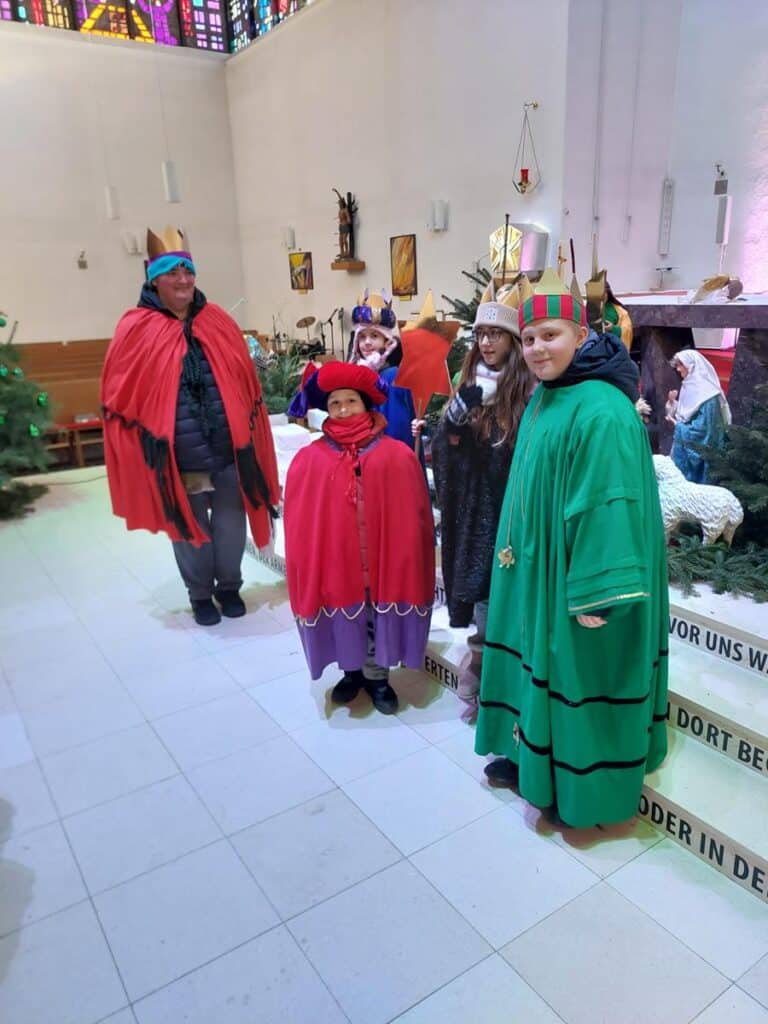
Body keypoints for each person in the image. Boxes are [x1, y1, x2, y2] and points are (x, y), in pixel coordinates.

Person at [475, 269, 669, 828]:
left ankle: (578, 785)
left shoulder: (602, 409)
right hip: (536, 569)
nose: (538, 348)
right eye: (529, 338)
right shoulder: (550, 393)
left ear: (581, 336)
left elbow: (610, 504)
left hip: (576, 581)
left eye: (550, 335)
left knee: (575, 674)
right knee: (540, 664)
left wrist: (597, 593)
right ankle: (531, 757)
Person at [101, 226, 279, 626]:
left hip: (229, 448)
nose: (182, 280)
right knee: (190, 525)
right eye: (172, 272)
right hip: (181, 453)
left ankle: (229, 587)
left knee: (231, 523)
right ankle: (200, 594)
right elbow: (120, 391)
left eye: (188, 271)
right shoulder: (137, 327)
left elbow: (244, 381)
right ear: (153, 278)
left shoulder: (216, 320)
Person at [283, 362, 434, 715]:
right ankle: (351, 673)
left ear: (365, 404)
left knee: (376, 616)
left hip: (384, 559)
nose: (343, 409)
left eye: (350, 401)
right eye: (335, 403)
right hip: (338, 561)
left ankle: (378, 677)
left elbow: (416, 517)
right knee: (346, 615)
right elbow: (301, 520)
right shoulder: (310, 459)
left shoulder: (397, 455)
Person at [421, 280, 533, 719]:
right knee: (484, 600)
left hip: (514, 513)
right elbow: (446, 452)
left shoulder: (527, 392)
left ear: (512, 341)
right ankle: (484, 676)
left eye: (496, 335)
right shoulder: (469, 386)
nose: (486, 343)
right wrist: (453, 422)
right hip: (477, 515)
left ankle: (508, 683)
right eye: (482, 335)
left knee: (511, 602)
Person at [348, 289, 421, 453]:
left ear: (386, 341)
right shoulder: (360, 376)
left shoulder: (391, 376)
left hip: (387, 455)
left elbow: (397, 430)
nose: (367, 342)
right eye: (362, 337)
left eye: (374, 336)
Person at [667, 349, 731, 484]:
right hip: (686, 443)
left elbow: (705, 430)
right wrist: (672, 404)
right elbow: (687, 412)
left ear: (691, 365)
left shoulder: (707, 394)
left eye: (680, 365)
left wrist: (679, 427)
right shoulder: (689, 385)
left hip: (704, 454)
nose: (678, 369)